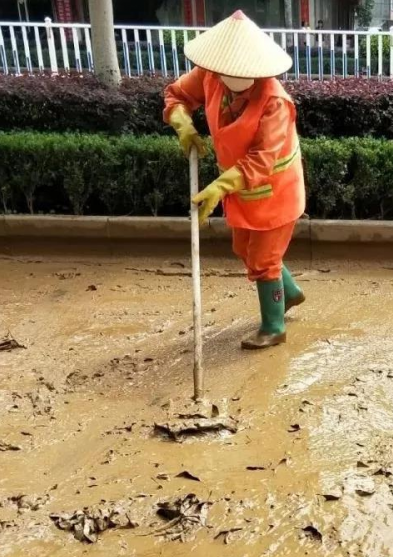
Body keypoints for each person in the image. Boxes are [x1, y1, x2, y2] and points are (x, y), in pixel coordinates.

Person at [163, 10, 305, 350]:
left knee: (264, 259)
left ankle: (274, 326)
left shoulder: (275, 103)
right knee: (245, 248)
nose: (235, 79)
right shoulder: (211, 75)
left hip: (275, 190)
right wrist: (182, 123)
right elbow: (176, 94)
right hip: (238, 184)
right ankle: (290, 293)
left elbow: (262, 159)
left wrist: (219, 187)